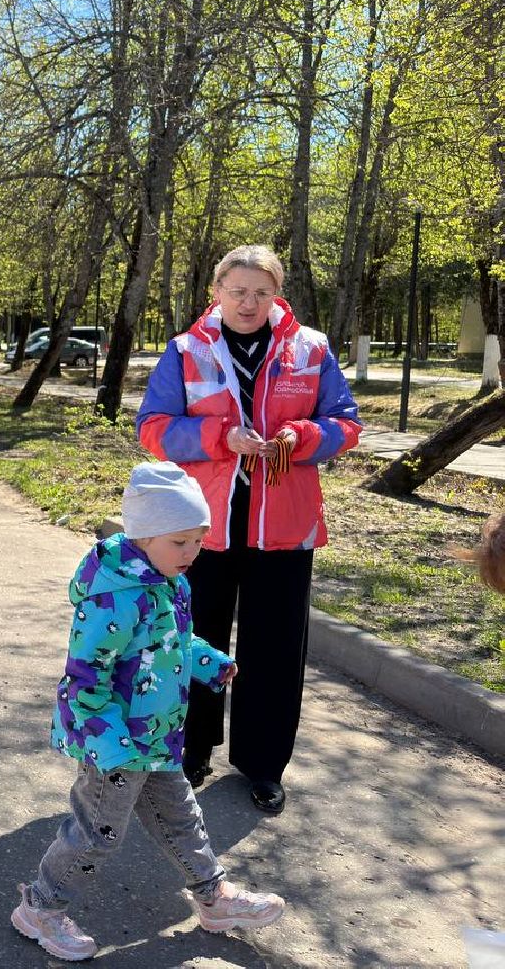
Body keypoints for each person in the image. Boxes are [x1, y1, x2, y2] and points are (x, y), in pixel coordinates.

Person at [11, 462, 286, 962]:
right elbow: (84, 679)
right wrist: (111, 743)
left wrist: (211, 662)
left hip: (157, 737)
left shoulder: (170, 582)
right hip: (114, 745)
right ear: (143, 536)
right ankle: (41, 907)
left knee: (182, 819)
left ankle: (214, 898)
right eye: (180, 541)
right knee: (96, 835)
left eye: (198, 541)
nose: (192, 553)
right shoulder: (114, 601)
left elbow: (174, 642)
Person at [137, 245, 361, 814]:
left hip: (283, 530)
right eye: (237, 291)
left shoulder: (310, 349)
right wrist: (219, 438)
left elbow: (345, 423)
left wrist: (302, 438)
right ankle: (189, 752)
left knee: (276, 649)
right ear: (217, 291)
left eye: (261, 292)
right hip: (200, 531)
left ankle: (263, 765)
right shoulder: (186, 351)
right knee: (193, 642)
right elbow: (153, 429)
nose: (248, 302)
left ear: (276, 294)